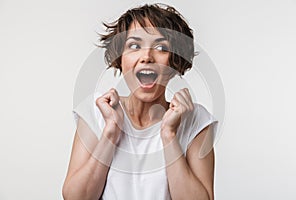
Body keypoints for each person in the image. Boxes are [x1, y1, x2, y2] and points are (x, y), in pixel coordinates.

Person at [62, 3, 217, 200]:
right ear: (121, 58)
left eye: (161, 47)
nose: (146, 57)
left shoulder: (195, 119)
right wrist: (111, 131)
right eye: (134, 45)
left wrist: (169, 135)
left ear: (175, 61)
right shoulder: (97, 110)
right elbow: (76, 197)